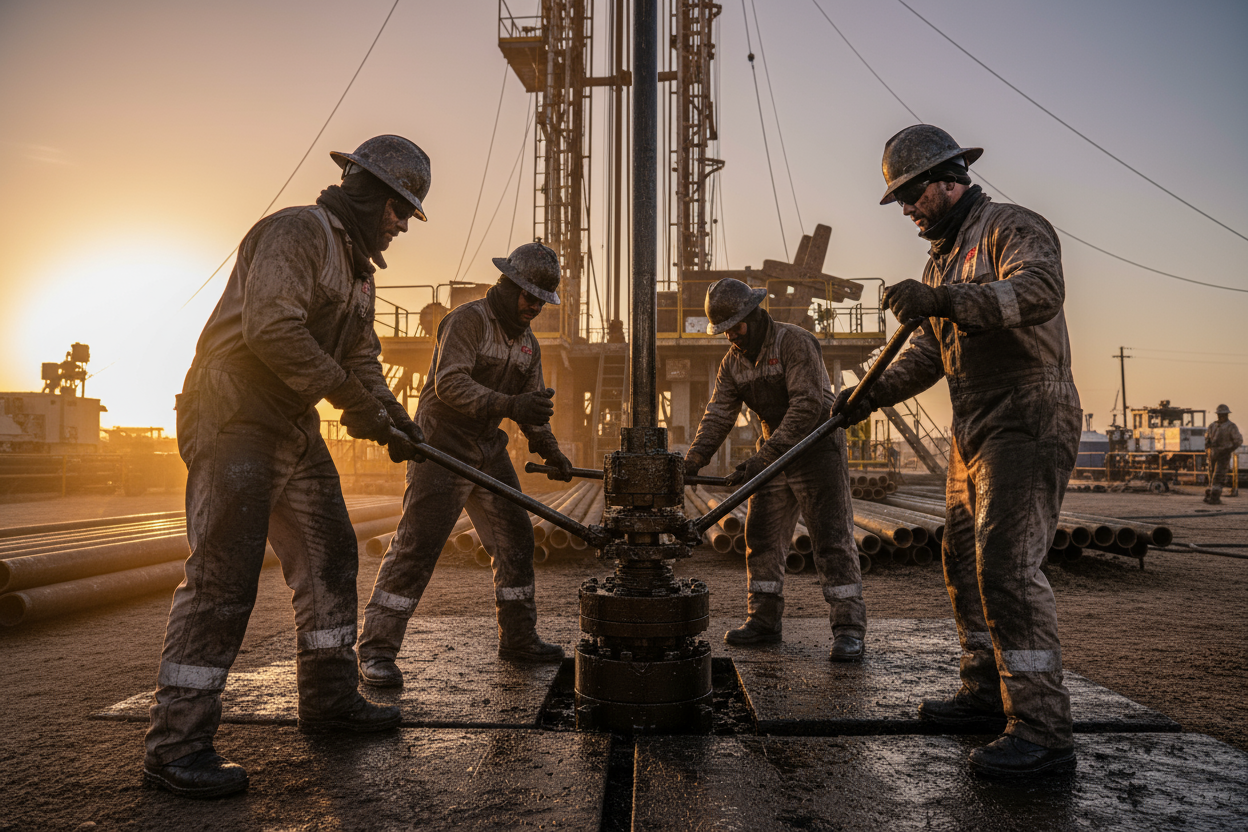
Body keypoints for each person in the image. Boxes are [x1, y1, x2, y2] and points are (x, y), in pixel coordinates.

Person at [143, 135, 432, 798]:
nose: (401, 224)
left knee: (331, 554)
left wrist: (395, 420)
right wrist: (356, 403)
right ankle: (175, 745)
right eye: (398, 209)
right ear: (369, 192)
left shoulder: (359, 272)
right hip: (235, 410)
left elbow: (362, 364)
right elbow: (272, 328)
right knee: (224, 578)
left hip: (291, 421)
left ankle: (329, 699)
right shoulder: (296, 232)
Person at [836, 124, 1081, 777]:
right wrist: (867, 395)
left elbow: (1039, 293)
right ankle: (985, 694)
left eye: (912, 197)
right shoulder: (939, 261)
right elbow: (925, 356)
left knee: (1004, 564)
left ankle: (1042, 729)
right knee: (961, 558)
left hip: (1028, 410)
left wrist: (943, 299)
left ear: (946, 182)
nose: (909, 211)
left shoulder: (1010, 227)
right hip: (975, 420)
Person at [355, 242, 575, 688]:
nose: (534, 306)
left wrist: (550, 450)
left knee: (516, 537)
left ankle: (518, 638)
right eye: (529, 296)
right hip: (441, 443)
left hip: (487, 448)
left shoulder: (529, 345)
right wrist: (512, 404)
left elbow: (532, 409)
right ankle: (375, 650)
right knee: (418, 546)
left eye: (541, 301)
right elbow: (450, 383)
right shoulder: (468, 321)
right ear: (508, 284)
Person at [684, 278, 865, 660]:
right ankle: (763, 619)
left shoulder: (793, 342)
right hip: (774, 452)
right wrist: (692, 461)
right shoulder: (732, 363)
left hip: (817, 449)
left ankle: (849, 629)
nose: (732, 335)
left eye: (736, 326)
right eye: (725, 330)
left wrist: (762, 460)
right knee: (762, 536)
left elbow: (808, 406)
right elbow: (718, 415)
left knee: (831, 540)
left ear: (754, 313)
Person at [1204, 404, 1241, 504]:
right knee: (1212, 475)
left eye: (1222, 415)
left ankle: (1213, 496)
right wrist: (1208, 448)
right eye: (1220, 415)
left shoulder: (1230, 427)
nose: (1221, 416)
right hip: (1213, 453)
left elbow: (1238, 441)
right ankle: (1211, 495)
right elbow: (1207, 439)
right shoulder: (1213, 426)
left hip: (1222, 453)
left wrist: (1228, 449)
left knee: (1218, 475)